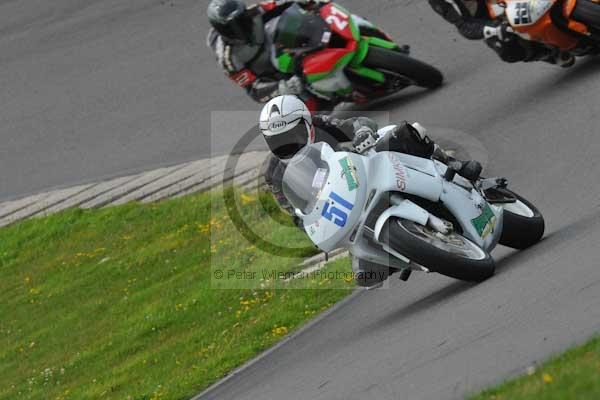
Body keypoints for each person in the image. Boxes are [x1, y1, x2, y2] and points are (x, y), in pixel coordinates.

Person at [258, 95, 483, 288]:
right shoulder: (273, 173)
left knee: (402, 133)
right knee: (368, 277)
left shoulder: (321, 124)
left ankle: (454, 165)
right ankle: (409, 250)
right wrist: (308, 220)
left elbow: (356, 123)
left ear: (306, 124)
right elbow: (295, 212)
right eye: (277, 141)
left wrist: (362, 132)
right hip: (346, 206)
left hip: (366, 171)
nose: (287, 145)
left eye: (293, 134)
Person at [206, 0, 334, 111]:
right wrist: (284, 87)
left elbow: (284, 2)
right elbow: (254, 90)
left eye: (242, 19)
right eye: (234, 26)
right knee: (309, 107)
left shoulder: (254, 12)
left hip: (284, 52)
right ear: (224, 31)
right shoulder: (228, 59)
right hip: (276, 78)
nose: (242, 26)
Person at [428, 0, 575, 67]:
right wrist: (493, 29)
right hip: (500, 16)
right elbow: (464, 25)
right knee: (505, 47)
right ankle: (549, 52)